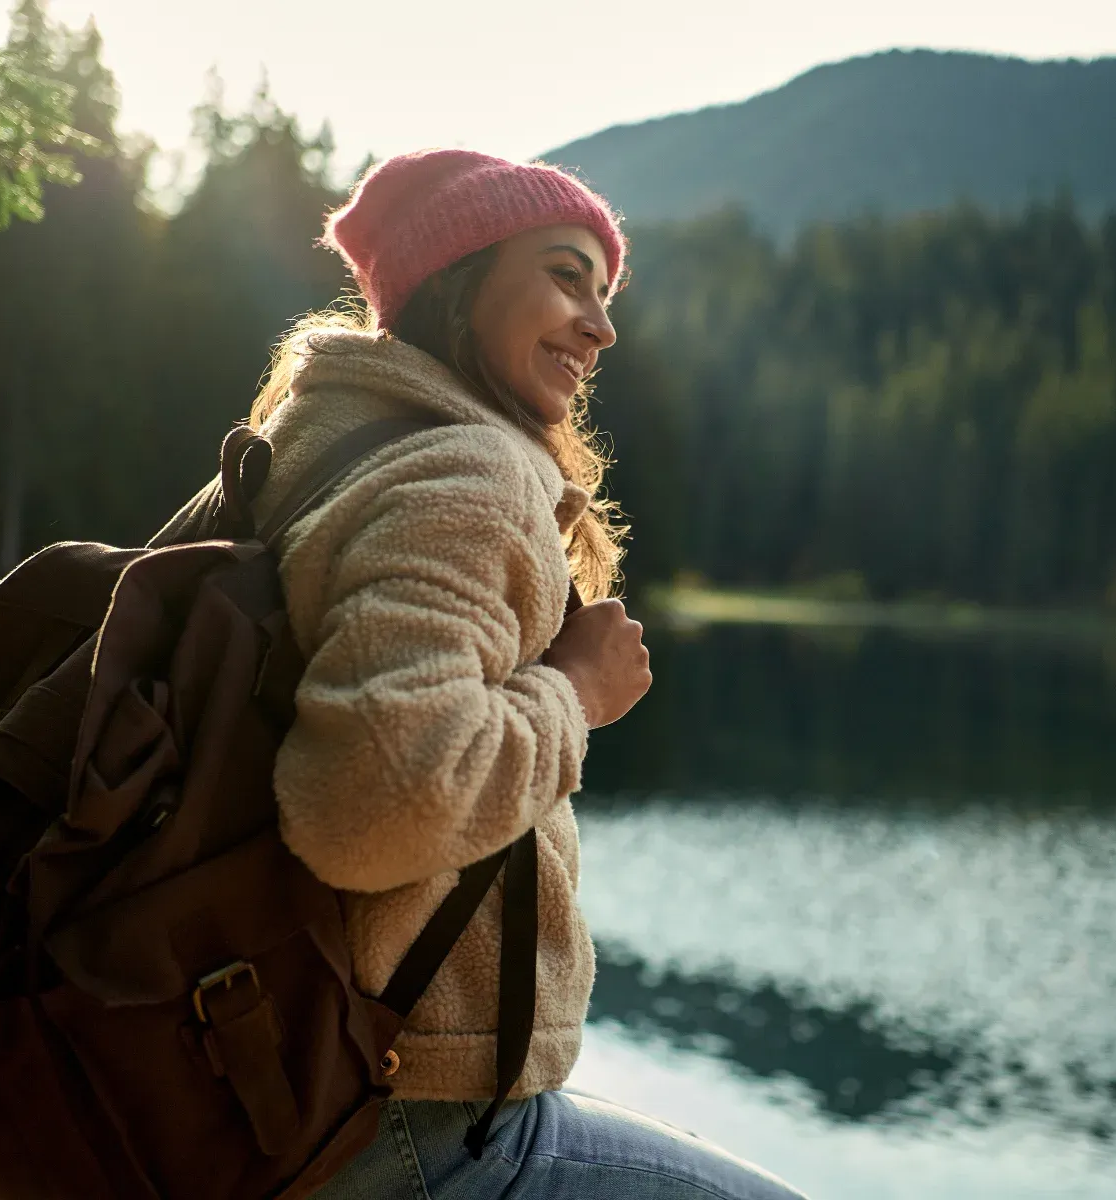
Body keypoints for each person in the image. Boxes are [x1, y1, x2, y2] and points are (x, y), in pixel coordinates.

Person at [242, 149, 806, 1200]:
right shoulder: (464, 470)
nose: (601, 327)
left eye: (604, 291)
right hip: (410, 1129)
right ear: (456, 280)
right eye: (564, 275)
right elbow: (372, 802)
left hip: (287, 1086)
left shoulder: (320, 438)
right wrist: (576, 696)